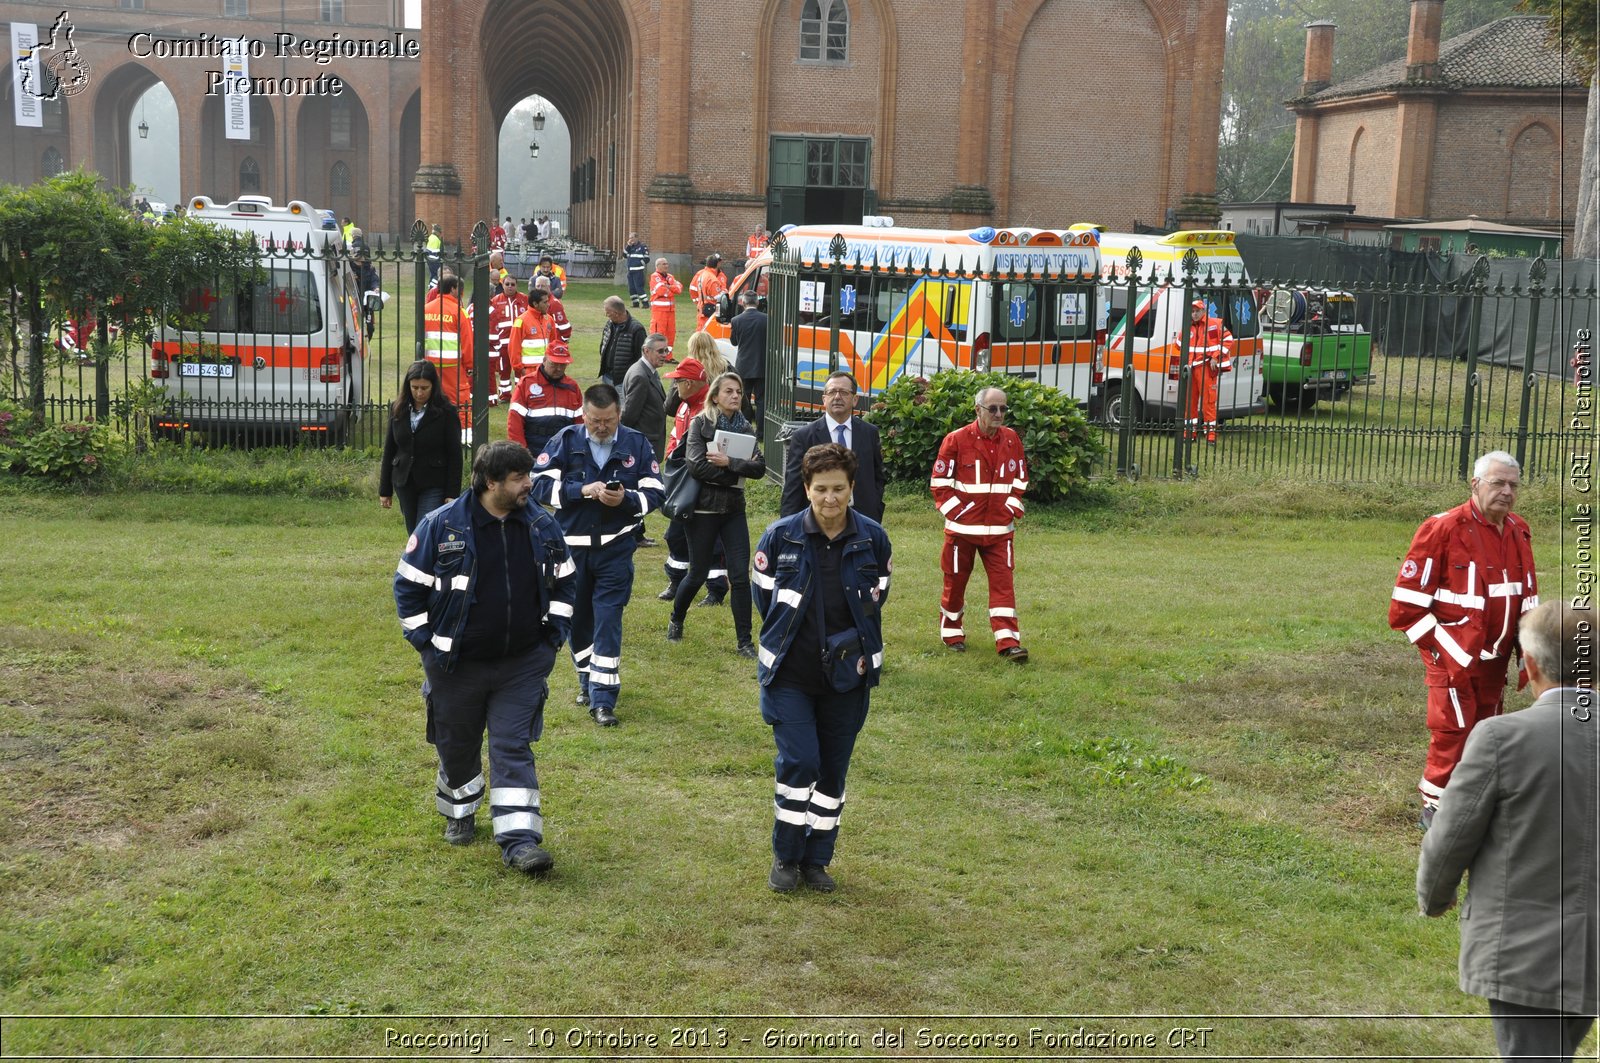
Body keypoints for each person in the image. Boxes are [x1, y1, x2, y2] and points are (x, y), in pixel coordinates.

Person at [1417, 601, 1595, 1063]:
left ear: (1530, 665)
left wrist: (1435, 898)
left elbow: (1451, 837)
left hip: (1526, 954)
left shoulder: (1501, 738)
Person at [393, 440, 578, 874]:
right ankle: (460, 811)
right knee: (456, 745)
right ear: (490, 482)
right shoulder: (441, 526)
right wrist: (426, 642)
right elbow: (407, 587)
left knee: (513, 746)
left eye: (528, 476)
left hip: (522, 664)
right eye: (518, 479)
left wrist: (553, 637)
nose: (528, 485)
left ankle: (519, 841)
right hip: (455, 666)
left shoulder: (541, 526)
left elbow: (566, 583)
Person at [751, 442, 892, 893]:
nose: (830, 499)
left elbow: (877, 598)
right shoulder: (780, 537)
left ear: (852, 488)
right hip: (791, 675)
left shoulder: (873, 538)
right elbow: (764, 601)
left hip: (848, 679)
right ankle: (786, 855)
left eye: (838, 489)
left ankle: (817, 860)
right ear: (806, 489)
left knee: (832, 773)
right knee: (800, 762)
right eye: (820, 489)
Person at [1389, 451, 1539, 829]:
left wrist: (1529, 651)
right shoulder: (1442, 529)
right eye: (1498, 483)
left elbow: (1527, 595)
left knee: (1488, 728)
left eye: (1513, 485)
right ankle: (1436, 806)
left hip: (1496, 656)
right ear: (1475, 485)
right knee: (1453, 727)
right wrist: (1444, 650)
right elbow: (1405, 609)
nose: (1506, 492)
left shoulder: (1519, 529)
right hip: (1451, 655)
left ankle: (1478, 798)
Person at [530, 384, 665, 727]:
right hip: (571, 549)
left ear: (619, 414)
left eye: (607, 421)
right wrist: (580, 490)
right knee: (577, 621)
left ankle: (603, 700)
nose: (601, 427)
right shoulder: (565, 439)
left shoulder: (635, 443)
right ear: (583, 415)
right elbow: (539, 484)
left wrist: (628, 501)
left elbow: (656, 491)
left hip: (615, 549)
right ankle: (587, 680)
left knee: (608, 619)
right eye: (594, 421)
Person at [667, 371, 765, 657]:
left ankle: (744, 642)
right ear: (715, 396)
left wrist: (728, 462)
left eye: (739, 392)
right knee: (697, 573)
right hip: (702, 510)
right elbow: (697, 466)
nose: (735, 396)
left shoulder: (746, 427)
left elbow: (759, 469)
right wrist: (736, 471)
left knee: (740, 577)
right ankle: (676, 618)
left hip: (734, 510)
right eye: (729, 391)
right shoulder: (701, 424)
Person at [930, 387, 1029, 662]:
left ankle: (1008, 643)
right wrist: (959, 514)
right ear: (978, 410)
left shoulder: (1012, 440)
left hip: (1000, 532)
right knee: (955, 584)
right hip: (961, 532)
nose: (999, 414)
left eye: (1003, 409)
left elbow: (1020, 478)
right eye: (993, 409)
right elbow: (939, 485)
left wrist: (1010, 507)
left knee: (1003, 585)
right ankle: (952, 634)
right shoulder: (956, 440)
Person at [658, 356, 727, 606]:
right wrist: (671, 461)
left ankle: (716, 589)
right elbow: (675, 438)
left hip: (705, 485)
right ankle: (676, 580)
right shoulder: (685, 406)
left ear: (689, 383)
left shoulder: (712, 410)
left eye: (678, 382)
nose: (675, 387)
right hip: (683, 482)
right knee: (675, 534)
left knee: (711, 538)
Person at [780, 371, 884, 523]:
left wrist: (875, 507)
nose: (837, 397)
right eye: (832, 392)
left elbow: (878, 476)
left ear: (855, 399)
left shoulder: (869, 433)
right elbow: (793, 487)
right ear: (824, 399)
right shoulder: (804, 437)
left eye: (843, 392)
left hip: (862, 518)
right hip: (820, 519)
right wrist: (787, 525)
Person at [380, 360, 462, 534]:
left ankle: (423, 560)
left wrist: (452, 492)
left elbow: (455, 454)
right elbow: (389, 450)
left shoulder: (446, 411)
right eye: (414, 387)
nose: (419, 392)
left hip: (434, 482)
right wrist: (385, 490)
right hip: (404, 481)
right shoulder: (397, 408)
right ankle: (420, 561)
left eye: (424, 388)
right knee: (413, 532)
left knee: (425, 531)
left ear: (434, 386)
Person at [622, 332, 674, 547]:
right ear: (646, 351)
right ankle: (634, 534)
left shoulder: (646, 371)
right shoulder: (640, 376)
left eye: (666, 350)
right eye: (660, 351)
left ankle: (637, 533)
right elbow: (629, 416)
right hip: (642, 442)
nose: (665, 355)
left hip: (646, 439)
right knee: (640, 488)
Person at [421, 272, 474, 441]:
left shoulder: (426, 309)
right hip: (453, 366)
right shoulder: (459, 311)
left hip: (428, 365)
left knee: (429, 399)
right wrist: (470, 365)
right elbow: (467, 342)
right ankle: (464, 437)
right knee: (461, 400)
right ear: (453, 289)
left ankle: (431, 432)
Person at [506, 344, 584, 459]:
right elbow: (514, 421)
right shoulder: (526, 384)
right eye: (554, 364)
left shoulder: (572, 387)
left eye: (562, 365)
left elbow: (580, 423)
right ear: (544, 360)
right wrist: (521, 453)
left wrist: (576, 450)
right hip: (533, 450)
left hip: (564, 449)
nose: (558, 369)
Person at [1182, 298, 1234, 444]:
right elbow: (1180, 343)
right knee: (1189, 403)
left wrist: (1216, 357)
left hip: (1206, 368)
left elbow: (1229, 339)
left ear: (1204, 311)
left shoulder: (1215, 324)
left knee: (1208, 402)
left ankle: (1211, 436)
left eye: (1197, 311)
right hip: (1192, 368)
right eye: (1192, 311)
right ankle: (1189, 434)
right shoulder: (1188, 327)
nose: (1195, 314)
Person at [487, 271, 530, 402]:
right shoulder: (495, 301)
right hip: (503, 343)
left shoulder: (525, 299)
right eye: (507, 284)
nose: (510, 286)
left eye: (512, 284)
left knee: (520, 370)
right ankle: (505, 395)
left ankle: (520, 393)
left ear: (516, 285)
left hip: (521, 343)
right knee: (504, 371)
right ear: (502, 284)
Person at [729, 289, 768, 429]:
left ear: (742, 303)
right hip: (762, 364)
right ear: (757, 302)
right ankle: (761, 431)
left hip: (743, 365)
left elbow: (734, 342)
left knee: (743, 399)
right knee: (761, 400)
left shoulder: (736, 320)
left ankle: (745, 428)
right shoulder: (766, 319)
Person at [505, 287, 559, 380]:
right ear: (535, 304)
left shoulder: (549, 319)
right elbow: (513, 347)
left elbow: (554, 343)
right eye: (545, 302)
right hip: (529, 370)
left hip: (547, 369)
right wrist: (520, 369)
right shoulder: (521, 321)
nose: (548, 305)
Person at [598, 295, 648, 385]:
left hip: (624, 381)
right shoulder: (609, 324)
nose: (606, 315)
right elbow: (603, 345)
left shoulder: (637, 329)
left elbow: (641, 357)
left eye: (608, 312)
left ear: (616, 313)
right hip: (607, 377)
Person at [649, 258, 684, 348]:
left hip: (671, 311)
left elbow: (679, 289)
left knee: (671, 333)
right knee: (658, 333)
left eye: (667, 264)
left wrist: (668, 287)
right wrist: (672, 290)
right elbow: (661, 291)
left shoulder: (670, 277)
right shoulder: (655, 276)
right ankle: (657, 354)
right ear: (658, 266)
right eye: (664, 264)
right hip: (659, 311)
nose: (666, 266)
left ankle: (668, 356)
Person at [530, 274, 574, 345]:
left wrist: (561, 342)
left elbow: (565, 327)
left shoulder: (554, 303)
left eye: (542, 286)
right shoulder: (535, 303)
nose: (540, 288)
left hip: (553, 344)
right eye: (538, 286)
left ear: (549, 287)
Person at [689, 253, 728, 332]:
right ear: (717, 264)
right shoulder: (712, 278)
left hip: (704, 308)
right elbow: (717, 296)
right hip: (709, 310)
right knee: (707, 335)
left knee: (701, 333)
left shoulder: (703, 274)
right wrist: (725, 292)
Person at [625, 232, 650, 308]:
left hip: (638, 271)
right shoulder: (629, 247)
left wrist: (639, 264)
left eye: (632, 237)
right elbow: (624, 255)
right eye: (629, 238)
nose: (630, 239)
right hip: (630, 271)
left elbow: (647, 258)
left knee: (638, 288)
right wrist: (628, 246)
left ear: (636, 238)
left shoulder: (642, 247)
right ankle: (635, 303)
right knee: (631, 288)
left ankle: (645, 303)